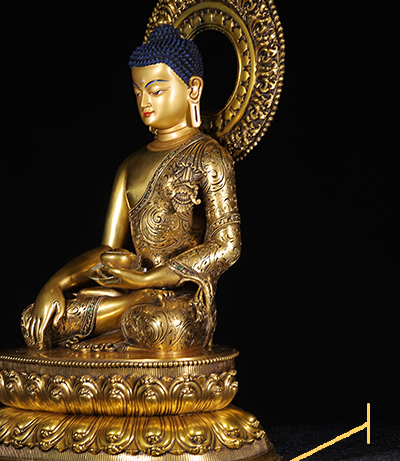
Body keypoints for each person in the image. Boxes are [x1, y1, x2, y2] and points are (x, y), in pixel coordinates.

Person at [21, 25, 241, 351]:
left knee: (160, 325)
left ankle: (126, 317)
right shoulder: (130, 165)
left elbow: (227, 245)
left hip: (178, 301)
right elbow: (108, 251)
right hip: (132, 291)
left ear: (193, 89)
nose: (145, 102)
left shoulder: (209, 156)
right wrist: (55, 284)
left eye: (156, 90)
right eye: (138, 92)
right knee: (35, 320)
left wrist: (150, 279)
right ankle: (128, 312)